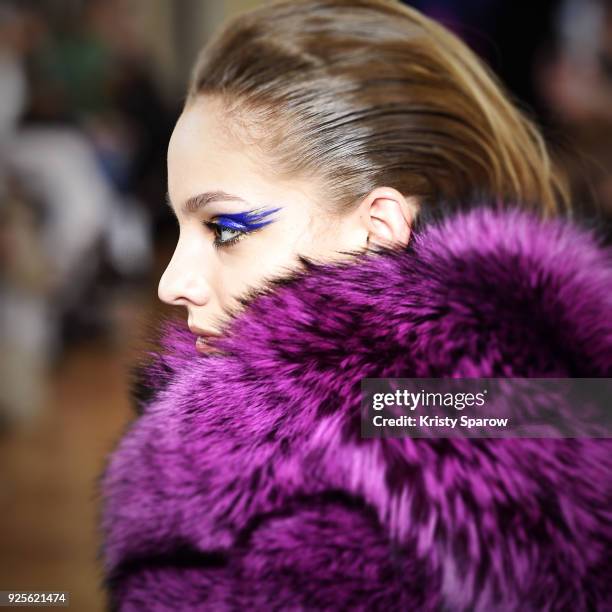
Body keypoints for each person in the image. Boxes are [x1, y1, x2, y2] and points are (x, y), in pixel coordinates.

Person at [97, 1, 612, 609]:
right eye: (179, 225)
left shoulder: (302, 517)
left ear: (377, 228)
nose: (172, 282)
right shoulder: (545, 404)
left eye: (225, 228)